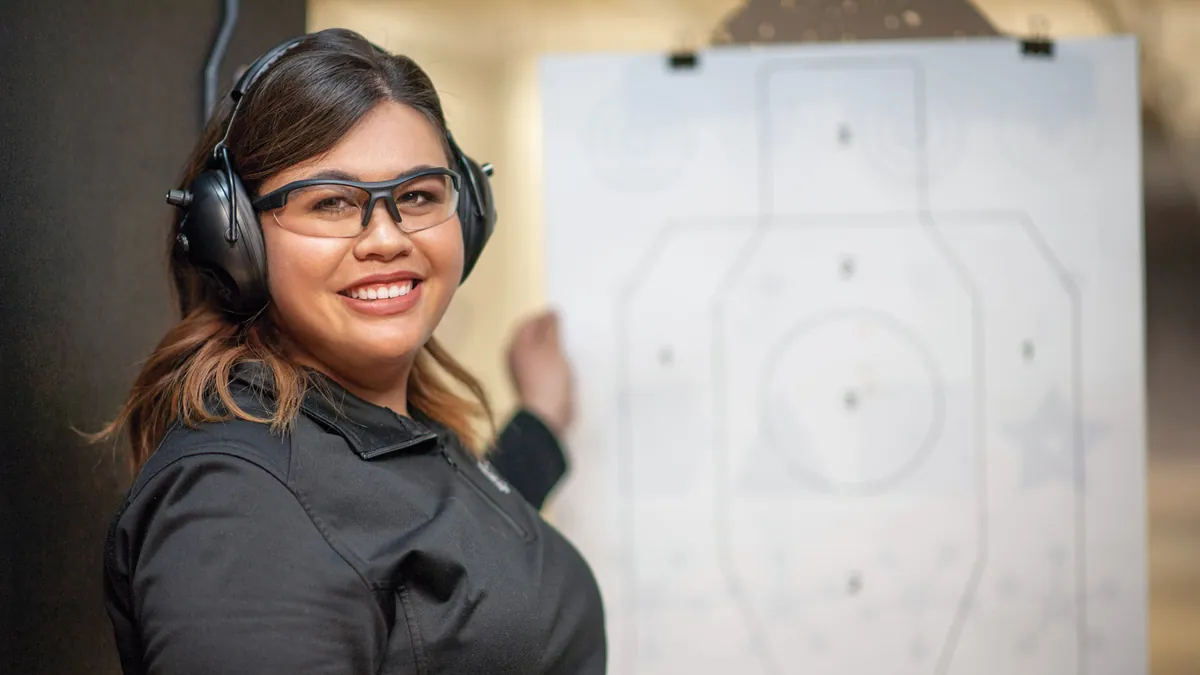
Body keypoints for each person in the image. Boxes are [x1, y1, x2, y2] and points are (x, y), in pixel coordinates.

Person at [96, 28, 606, 675]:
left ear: (468, 213)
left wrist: (540, 422)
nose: (387, 237)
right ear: (235, 238)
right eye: (332, 203)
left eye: (419, 195)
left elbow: (435, 570)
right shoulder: (238, 507)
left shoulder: (362, 436)